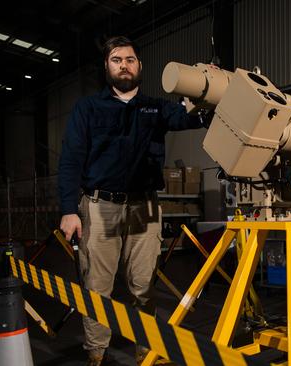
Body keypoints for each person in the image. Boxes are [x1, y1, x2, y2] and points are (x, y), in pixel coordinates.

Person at [58, 36, 205, 365]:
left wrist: (208, 92)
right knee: (98, 286)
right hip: (99, 206)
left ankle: (147, 350)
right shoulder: (88, 108)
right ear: (107, 67)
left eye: (130, 59)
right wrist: (69, 210)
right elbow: (70, 161)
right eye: (116, 60)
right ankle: (96, 353)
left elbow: (190, 117)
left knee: (143, 285)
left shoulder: (156, 108)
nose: (124, 65)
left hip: (145, 207)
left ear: (139, 66)